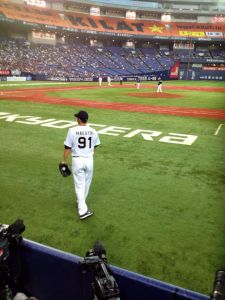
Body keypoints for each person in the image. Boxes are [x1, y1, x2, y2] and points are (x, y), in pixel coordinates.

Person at [62, 110, 101, 220]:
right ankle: (81, 201)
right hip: (89, 160)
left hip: (77, 160)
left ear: (79, 119)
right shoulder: (93, 131)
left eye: (77, 117)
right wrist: (89, 154)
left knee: (79, 185)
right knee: (86, 184)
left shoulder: (72, 130)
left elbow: (67, 147)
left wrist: (63, 160)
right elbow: (95, 147)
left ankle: (82, 211)